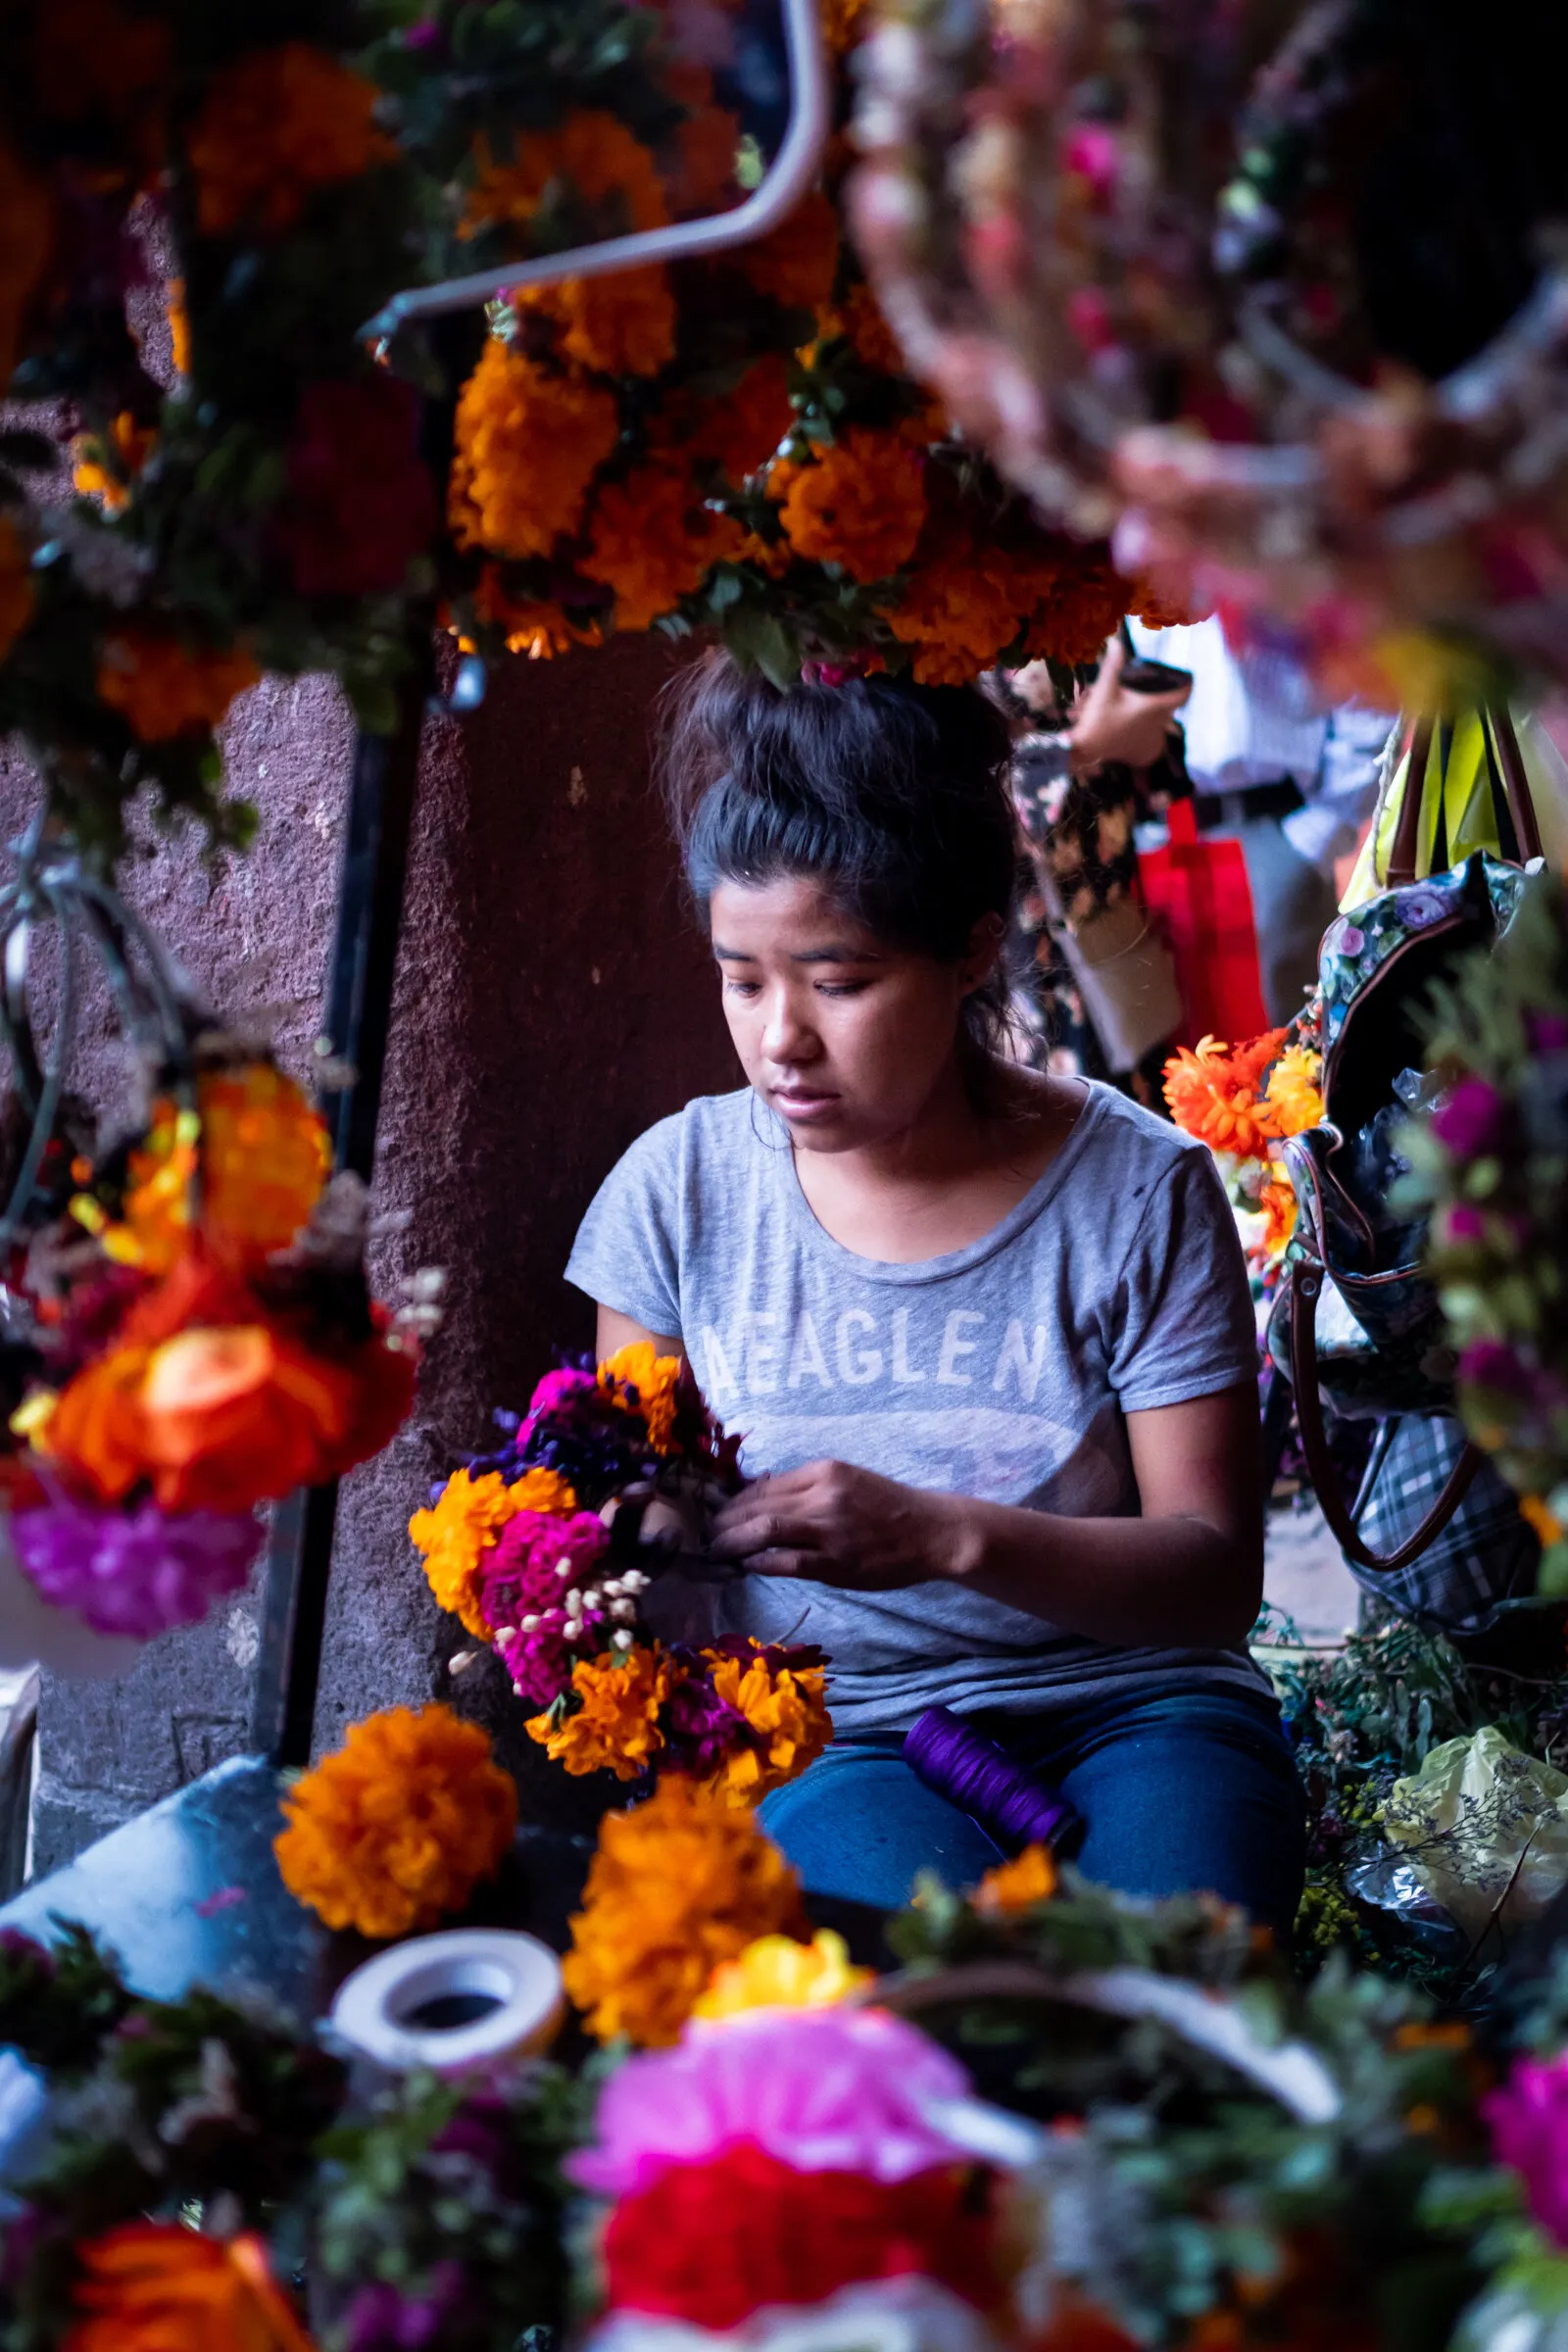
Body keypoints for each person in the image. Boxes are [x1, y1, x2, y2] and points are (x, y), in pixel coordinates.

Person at [565, 652, 1306, 1930]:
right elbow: (648, 1521)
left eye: (838, 981)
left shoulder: (1136, 1190)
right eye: (743, 978)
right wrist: (622, 1548)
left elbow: (1211, 1576)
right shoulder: (674, 1198)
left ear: (969, 952)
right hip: (842, 1734)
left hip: (1137, 1703)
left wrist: (946, 1536)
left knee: (1172, 2009)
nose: (779, 1037)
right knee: (944, 2006)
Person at [1127, 614, 1395, 1025]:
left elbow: (1365, 695)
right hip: (1161, 836)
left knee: (1290, 1044)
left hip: (1277, 828)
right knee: (1186, 1045)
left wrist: (1318, 832)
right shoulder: (1138, 572)